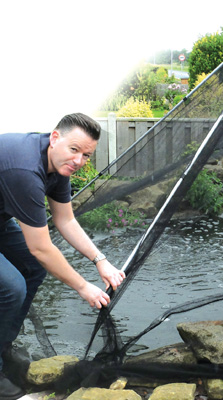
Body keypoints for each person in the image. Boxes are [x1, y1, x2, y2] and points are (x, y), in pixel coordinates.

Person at [0, 113, 126, 399]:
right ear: (55, 138)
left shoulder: (59, 166)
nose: (79, 161)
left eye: (86, 155)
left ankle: (2, 348)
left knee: (32, 269)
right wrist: (84, 287)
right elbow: (41, 248)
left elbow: (66, 220)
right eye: (74, 150)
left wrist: (100, 261)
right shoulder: (24, 169)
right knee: (11, 288)